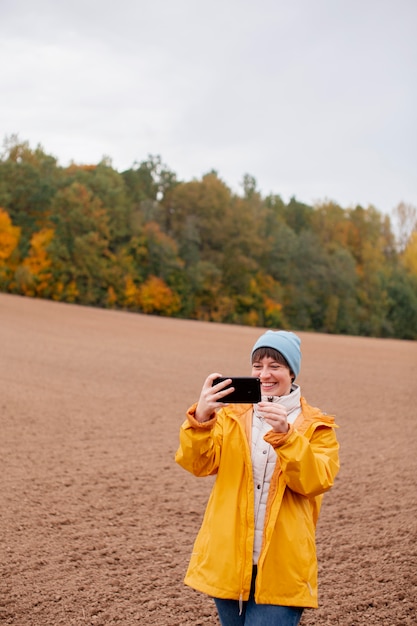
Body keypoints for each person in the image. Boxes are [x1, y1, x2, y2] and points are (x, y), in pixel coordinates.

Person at [175, 330, 340, 626]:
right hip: (230, 560)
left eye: (275, 366)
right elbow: (196, 464)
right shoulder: (230, 417)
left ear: (291, 372)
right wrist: (201, 419)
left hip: (283, 566)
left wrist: (287, 437)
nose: (265, 374)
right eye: (258, 365)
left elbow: (315, 482)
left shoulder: (317, 427)